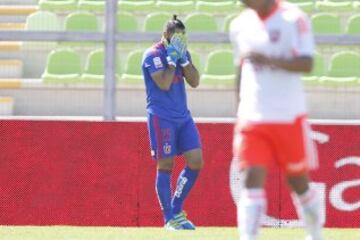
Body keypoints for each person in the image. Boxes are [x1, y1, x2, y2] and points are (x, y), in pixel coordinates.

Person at [229, 1, 324, 240]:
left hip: (287, 116)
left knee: (298, 183)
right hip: (252, 117)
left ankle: (314, 233)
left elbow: (307, 62)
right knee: (251, 178)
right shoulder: (240, 25)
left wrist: (271, 60)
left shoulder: (294, 18)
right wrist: (238, 109)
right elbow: (241, 69)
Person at [141, 15, 203, 230]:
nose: (179, 41)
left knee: (196, 161)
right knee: (166, 164)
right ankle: (168, 218)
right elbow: (165, 83)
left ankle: (177, 209)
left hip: (183, 117)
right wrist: (171, 59)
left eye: (182, 37)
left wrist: (184, 60)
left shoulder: (182, 53)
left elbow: (194, 81)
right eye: (176, 37)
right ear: (166, 35)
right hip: (162, 117)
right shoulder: (153, 55)